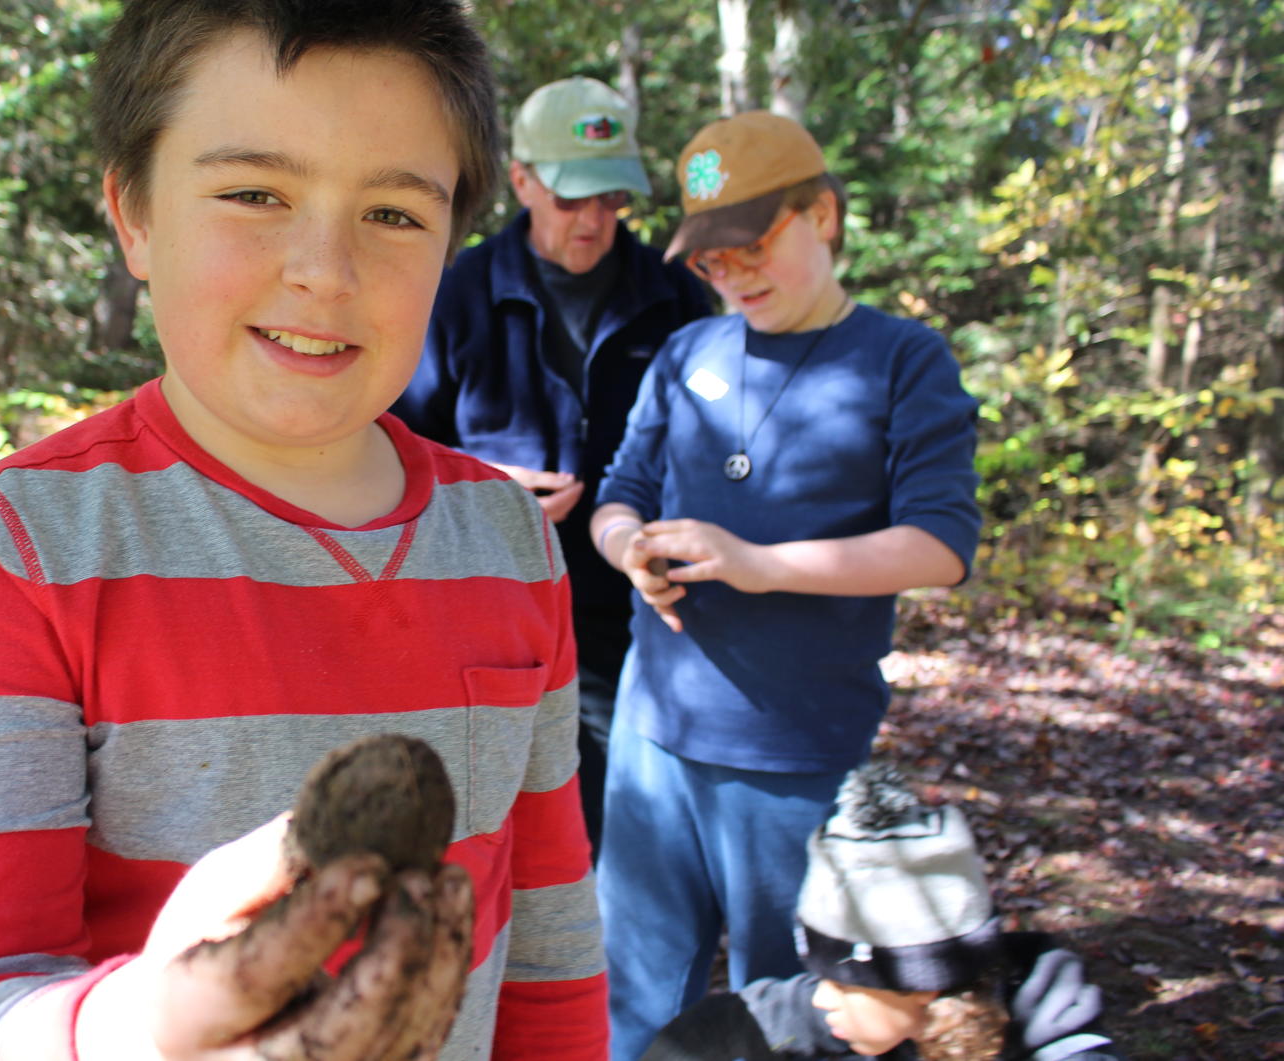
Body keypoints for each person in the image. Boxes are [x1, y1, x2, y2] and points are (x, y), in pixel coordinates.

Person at [0, 3, 607, 1059]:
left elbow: (545, 945)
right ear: (134, 216)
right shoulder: (8, 556)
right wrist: (139, 1024)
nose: (323, 270)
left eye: (393, 214)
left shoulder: (508, 541)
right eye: (254, 193)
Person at [588, 110, 983, 1059]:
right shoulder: (687, 356)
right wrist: (628, 545)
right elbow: (617, 495)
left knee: (794, 1007)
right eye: (711, 261)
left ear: (825, 214)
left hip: (794, 749)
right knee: (632, 992)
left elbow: (941, 544)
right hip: (653, 737)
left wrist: (763, 567)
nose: (732, 275)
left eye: (752, 245)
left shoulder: (902, 360)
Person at [393, 76, 712, 854]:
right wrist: (481, 486)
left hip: (625, 612)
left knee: (601, 820)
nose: (594, 220)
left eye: (611, 198)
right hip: (477, 600)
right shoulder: (455, 291)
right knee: (477, 815)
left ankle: (586, 970)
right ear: (523, 181)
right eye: (573, 199)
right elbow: (386, 447)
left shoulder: (674, 296)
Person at [639, 764, 1123, 1061]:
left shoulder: (1045, 1015)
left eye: (846, 984)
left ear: (922, 985)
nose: (822, 998)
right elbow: (712, 1033)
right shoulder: (863, 1009)